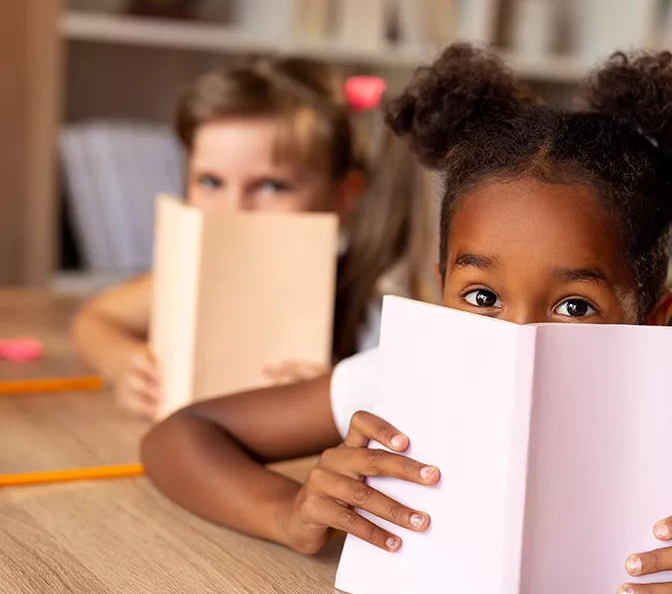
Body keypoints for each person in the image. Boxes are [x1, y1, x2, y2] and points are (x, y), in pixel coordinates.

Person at [142, 44, 672, 594]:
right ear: (440, 287)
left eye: (574, 306)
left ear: (653, 321)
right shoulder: (392, 386)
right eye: (482, 298)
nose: (519, 339)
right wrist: (288, 516)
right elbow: (180, 436)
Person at [71, 56, 438, 418]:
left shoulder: (372, 303)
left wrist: (338, 396)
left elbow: (416, 409)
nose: (233, 209)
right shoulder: (196, 277)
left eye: (271, 186)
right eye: (211, 182)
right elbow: (94, 319)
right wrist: (122, 363)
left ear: (345, 194)